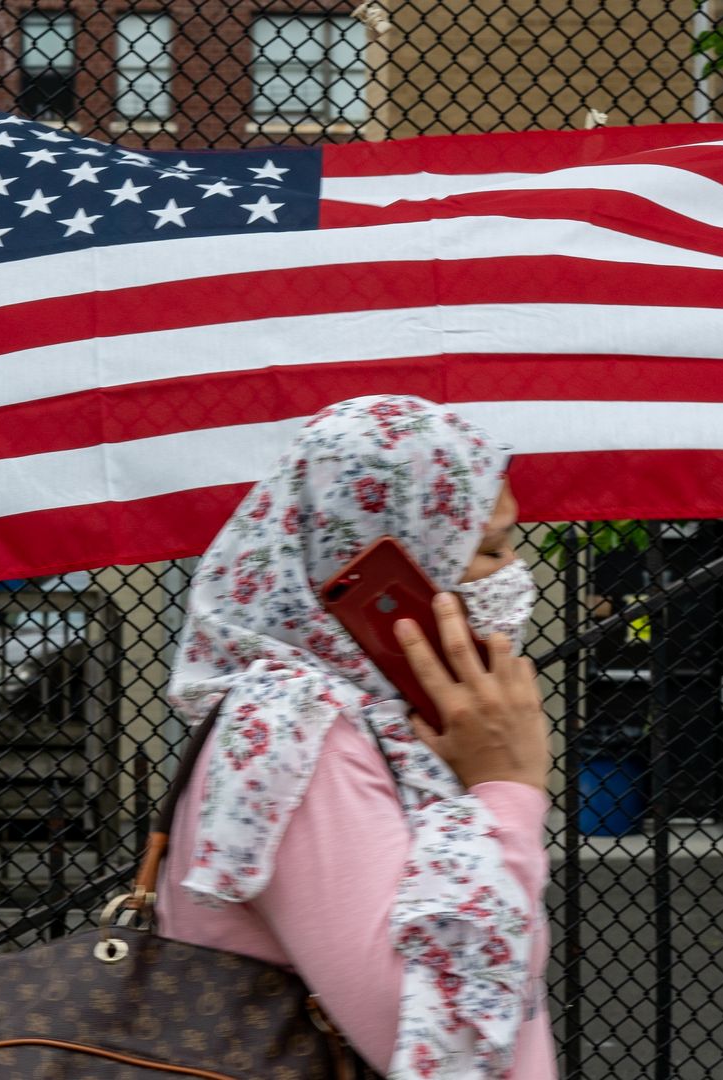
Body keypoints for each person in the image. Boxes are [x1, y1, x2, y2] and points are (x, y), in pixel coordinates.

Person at [160, 395, 556, 1079]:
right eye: (489, 549)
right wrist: (508, 788)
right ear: (390, 575)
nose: (516, 575)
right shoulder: (297, 733)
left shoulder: (381, 728)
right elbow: (446, 1051)